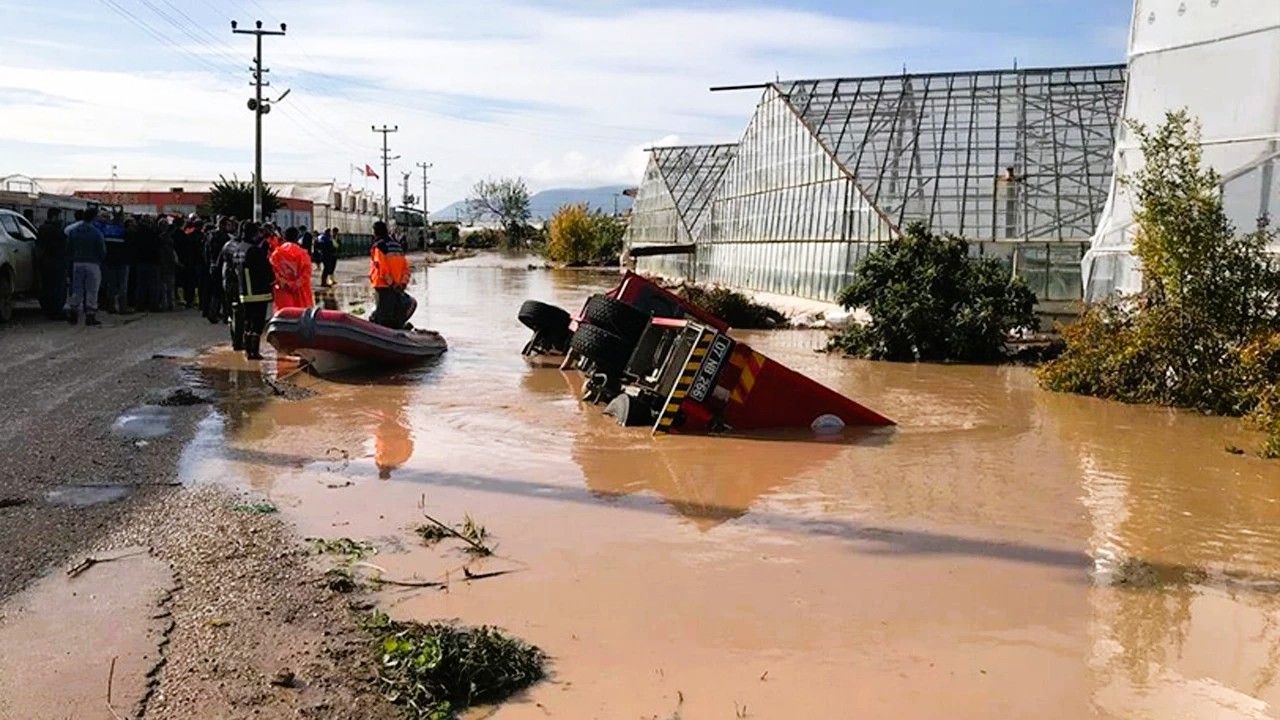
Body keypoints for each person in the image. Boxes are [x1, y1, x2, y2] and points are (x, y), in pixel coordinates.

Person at [231, 221, 275, 360]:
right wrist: (271, 281)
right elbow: (266, 270)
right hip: (257, 292)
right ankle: (253, 352)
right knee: (257, 323)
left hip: (244, 291)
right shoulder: (254, 250)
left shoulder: (238, 249)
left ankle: (247, 350)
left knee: (247, 322)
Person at [368, 220, 414, 329]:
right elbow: (405, 268)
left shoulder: (379, 246)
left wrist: (391, 283)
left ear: (375, 232)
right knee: (393, 313)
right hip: (397, 286)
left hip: (383, 285)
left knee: (383, 315)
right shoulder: (397, 246)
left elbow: (382, 268)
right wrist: (402, 284)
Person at [63, 209, 106, 326]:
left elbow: (68, 248)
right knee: (92, 290)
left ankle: (73, 312)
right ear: (93, 218)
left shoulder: (74, 231)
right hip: (92, 263)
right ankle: (90, 315)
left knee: (77, 289)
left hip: (77, 262)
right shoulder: (96, 232)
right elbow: (102, 250)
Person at [269, 226, 314, 309]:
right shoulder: (303, 254)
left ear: (284, 237)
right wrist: (294, 284)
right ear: (297, 237)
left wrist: (284, 282)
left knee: (285, 317)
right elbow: (306, 274)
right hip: (301, 294)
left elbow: (272, 272)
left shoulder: (276, 253)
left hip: (283, 293)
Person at [36, 208, 67, 319]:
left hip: (45, 262)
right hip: (55, 261)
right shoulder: (56, 230)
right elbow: (63, 245)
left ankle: (48, 310)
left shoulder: (42, 228)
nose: (61, 219)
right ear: (54, 216)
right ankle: (55, 311)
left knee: (47, 287)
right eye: (59, 216)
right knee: (56, 288)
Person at [202, 216, 234, 323]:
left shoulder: (210, 235)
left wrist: (209, 264)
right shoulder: (224, 237)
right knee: (224, 291)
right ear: (223, 225)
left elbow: (206, 251)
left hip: (212, 266)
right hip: (222, 266)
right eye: (228, 224)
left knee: (216, 292)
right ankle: (225, 315)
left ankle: (213, 313)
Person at [98, 211, 130, 314]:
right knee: (122, 286)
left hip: (109, 261)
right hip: (122, 261)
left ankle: (111, 306)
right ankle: (122, 307)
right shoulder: (124, 231)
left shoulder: (106, 231)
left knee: (111, 285)